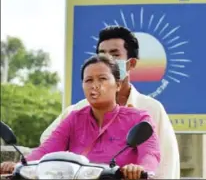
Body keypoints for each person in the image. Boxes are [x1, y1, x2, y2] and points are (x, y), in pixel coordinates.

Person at [39, 26, 180, 179]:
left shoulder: (151, 110)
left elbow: (166, 164)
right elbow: (46, 148)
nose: (107, 61)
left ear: (131, 63)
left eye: (114, 55)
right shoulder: (77, 110)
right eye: (102, 55)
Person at [0, 54, 160, 179]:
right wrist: (20, 165)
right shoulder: (74, 118)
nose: (94, 85)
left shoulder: (139, 118)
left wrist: (140, 169)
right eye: (88, 80)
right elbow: (46, 150)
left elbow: (150, 154)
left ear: (118, 85)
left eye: (102, 79)